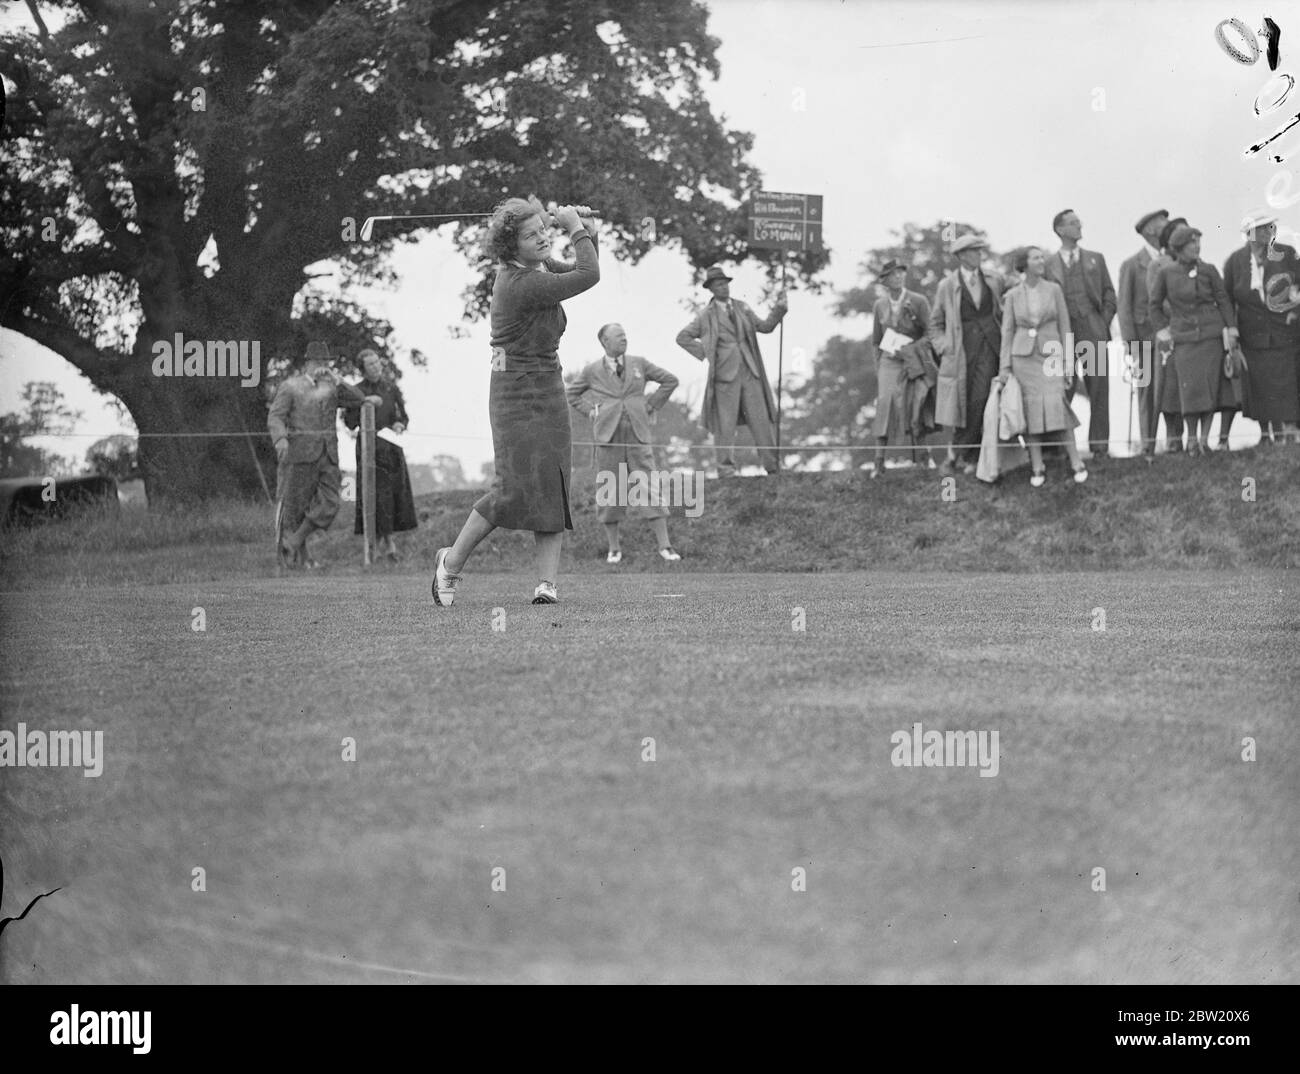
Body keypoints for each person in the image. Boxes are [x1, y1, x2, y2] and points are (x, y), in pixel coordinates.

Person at [431, 198, 599, 607]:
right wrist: (575, 228)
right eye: (531, 235)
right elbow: (588, 275)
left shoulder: (539, 269)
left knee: (552, 483)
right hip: (514, 393)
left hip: (548, 387)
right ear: (511, 247)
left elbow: (584, 268)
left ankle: (546, 584)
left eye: (543, 229)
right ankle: (450, 564)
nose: (542, 237)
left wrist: (589, 233)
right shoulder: (519, 282)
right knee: (511, 490)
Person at [566, 323, 681, 563]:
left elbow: (670, 380)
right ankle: (614, 549)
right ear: (604, 342)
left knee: (649, 486)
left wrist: (650, 406)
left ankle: (665, 546)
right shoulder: (591, 370)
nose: (624, 340)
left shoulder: (640, 363)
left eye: (625, 336)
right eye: (618, 337)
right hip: (608, 437)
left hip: (638, 434)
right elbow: (572, 394)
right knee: (610, 491)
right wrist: (590, 411)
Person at [268, 341, 380, 567]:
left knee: (330, 503)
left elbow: (359, 399)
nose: (322, 366)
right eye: (319, 362)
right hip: (299, 455)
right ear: (308, 363)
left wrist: (337, 379)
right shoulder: (291, 386)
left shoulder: (332, 387)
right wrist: (280, 439)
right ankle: (297, 558)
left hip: (328, 454)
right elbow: (276, 416)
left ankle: (295, 541)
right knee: (296, 508)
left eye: (326, 363)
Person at [675, 266, 786, 477]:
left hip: (750, 371)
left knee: (761, 420)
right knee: (724, 425)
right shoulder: (705, 316)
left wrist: (779, 309)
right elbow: (683, 337)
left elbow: (764, 327)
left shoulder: (742, 307)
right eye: (718, 284)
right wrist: (707, 353)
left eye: (725, 283)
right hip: (724, 377)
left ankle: (773, 466)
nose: (724, 287)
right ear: (711, 289)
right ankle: (726, 470)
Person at [997, 246, 1089, 486]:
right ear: (1024, 265)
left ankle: (1076, 460)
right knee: (1030, 411)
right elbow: (1007, 333)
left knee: (1058, 404)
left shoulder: (1054, 290)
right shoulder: (1013, 295)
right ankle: (1037, 466)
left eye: (1041, 257)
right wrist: (1004, 368)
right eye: (1036, 258)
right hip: (1023, 360)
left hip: (1051, 356)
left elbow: (1065, 327)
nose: (1042, 261)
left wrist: (1069, 364)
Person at [1149, 225, 1240, 456]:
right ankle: (1190, 440)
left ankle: (1204, 440)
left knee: (1210, 389)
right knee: (1190, 391)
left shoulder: (1209, 270)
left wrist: (1231, 328)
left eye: (1198, 243)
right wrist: (1162, 330)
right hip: (1184, 339)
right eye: (1192, 244)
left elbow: (1223, 299)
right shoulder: (1166, 273)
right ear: (1179, 249)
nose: (1197, 247)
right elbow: (1154, 305)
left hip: (1211, 337)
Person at [928, 234, 1007, 475]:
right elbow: (934, 324)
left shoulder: (994, 279)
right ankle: (964, 456)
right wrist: (944, 346)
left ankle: (962, 454)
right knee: (964, 405)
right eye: (974, 251)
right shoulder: (947, 286)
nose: (979, 255)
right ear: (962, 256)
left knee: (982, 399)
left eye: (980, 250)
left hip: (992, 346)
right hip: (961, 352)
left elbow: (1008, 301)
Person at [1222, 210, 1300, 445]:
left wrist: (1295, 312)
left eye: (1271, 227)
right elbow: (1226, 298)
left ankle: (1287, 433)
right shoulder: (1235, 261)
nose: (1269, 232)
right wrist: (1232, 328)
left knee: (1285, 384)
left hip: (1284, 333)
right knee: (1259, 385)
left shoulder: (1286, 254)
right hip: (1251, 337)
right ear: (1250, 234)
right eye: (1263, 228)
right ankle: (1265, 434)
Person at [1045, 209, 1117, 458]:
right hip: (1060, 335)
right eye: (1074, 223)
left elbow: (1109, 293)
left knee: (1098, 387)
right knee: (1062, 388)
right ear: (1061, 230)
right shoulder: (1048, 264)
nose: (1080, 226)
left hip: (1092, 329)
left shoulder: (1095, 258)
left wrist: (1101, 322)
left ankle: (1099, 447)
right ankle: (1061, 448)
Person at [342, 348, 417, 560]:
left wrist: (399, 424)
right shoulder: (356, 390)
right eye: (371, 364)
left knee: (393, 495)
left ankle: (388, 544)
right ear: (363, 369)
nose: (377, 367)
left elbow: (402, 416)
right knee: (374, 495)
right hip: (369, 449)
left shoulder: (390, 388)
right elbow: (349, 421)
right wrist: (364, 403)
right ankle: (379, 546)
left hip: (391, 446)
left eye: (378, 362)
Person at [870, 260, 933, 477]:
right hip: (889, 361)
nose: (897, 277)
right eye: (892, 275)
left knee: (915, 403)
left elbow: (930, 332)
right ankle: (879, 461)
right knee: (885, 403)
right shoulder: (879, 305)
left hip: (912, 360)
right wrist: (878, 366)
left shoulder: (918, 301)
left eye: (900, 273)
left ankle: (923, 457)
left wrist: (914, 348)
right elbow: (876, 340)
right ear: (885, 281)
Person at [1117, 208, 1170, 457]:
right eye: (1162, 223)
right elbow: (1124, 307)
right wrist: (1130, 343)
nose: (1168, 227)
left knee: (1170, 390)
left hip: (1170, 336)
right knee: (1146, 392)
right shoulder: (1131, 265)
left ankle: (1174, 442)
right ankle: (1147, 445)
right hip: (1144, 339)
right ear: (1149, 230)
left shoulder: (1173, 259)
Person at [1147, 216, 1190, 451]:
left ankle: (1190, 436)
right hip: (1169, 331)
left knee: (1188, 385)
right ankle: (1173, 439)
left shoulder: (1193, 263)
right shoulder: (1158, 265)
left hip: (1192, 332)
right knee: (1169, 389)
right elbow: (1156, 299)